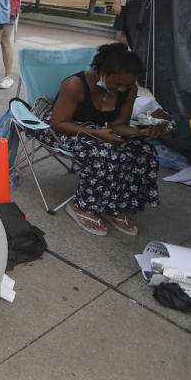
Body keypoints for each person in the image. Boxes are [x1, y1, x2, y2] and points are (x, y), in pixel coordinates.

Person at [42, 43, 165, 236]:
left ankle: (114, 204)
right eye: (117, 84)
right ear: (101, 72)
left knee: (144, 152)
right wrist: (98, 134)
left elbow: (119, 125)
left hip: (97, 130)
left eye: (127, 85)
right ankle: (82, 206)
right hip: (63, 128)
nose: (122, 88)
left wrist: (142, 133)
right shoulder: (75, 84)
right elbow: (58, 123)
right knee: (105, 152)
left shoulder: (128, 90)